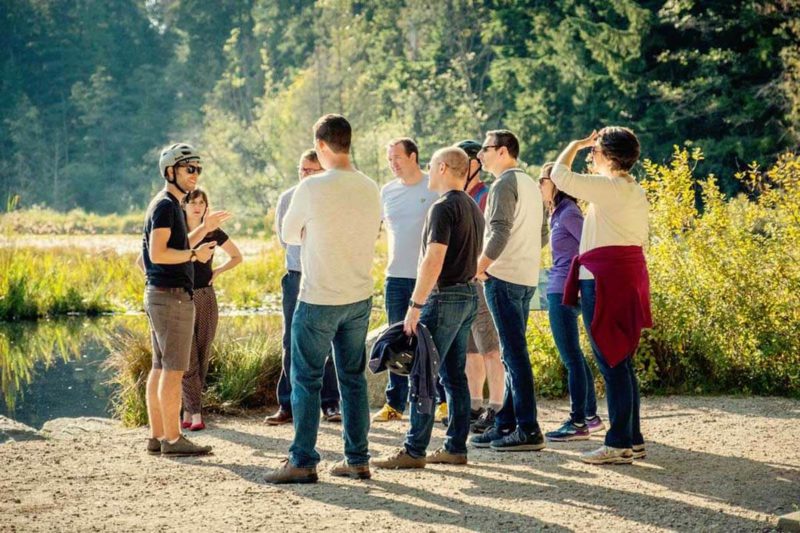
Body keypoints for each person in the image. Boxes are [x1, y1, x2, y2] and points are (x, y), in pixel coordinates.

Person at [264, 114, 381, 484]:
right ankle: (357, 459)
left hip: (318, 297)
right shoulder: (371, 187)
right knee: (353, 381)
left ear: (322, 146)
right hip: (359, 296)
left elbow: (289, 236)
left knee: (307, 380)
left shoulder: (311, 188)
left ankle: (302, 460)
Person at [373, 146, 483, 469]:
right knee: (453, 376)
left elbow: (434, 258)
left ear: (445, 168)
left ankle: (414, 449)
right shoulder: (472, 207)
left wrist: (415, 305)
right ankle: (455, 447)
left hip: (445, 296)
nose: (430, 173)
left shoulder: (442, 208)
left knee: (422, 372)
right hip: (468, 294)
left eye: (434, 166)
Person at [551, 127, 651, 465]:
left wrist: (575, 144)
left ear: (608, 155)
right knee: (620, 360)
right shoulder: (632, 189)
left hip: (605, 278)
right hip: (625, 276)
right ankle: (631, 439)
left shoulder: (609, 187)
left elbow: (558, 175)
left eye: (595, 151)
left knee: (610, 360)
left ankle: (619, 443)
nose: (591, 155)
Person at [140, 143, 223, 456]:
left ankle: (157, 435)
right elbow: (158, 252)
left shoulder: (169, 205)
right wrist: (194, 255)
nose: (195, 174)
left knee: (160, 368)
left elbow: (175, 243)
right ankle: (173, 440)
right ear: (170, 171)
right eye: (190, 168)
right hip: (171, 297)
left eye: (198, 169)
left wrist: (203, 229)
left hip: (163, 296)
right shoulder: (165, 206)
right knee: (174, 370)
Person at [471, 130, 547, 452]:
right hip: (526, 278)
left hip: (502, 279)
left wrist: (479, 266)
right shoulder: (530, 184)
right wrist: (521, 254)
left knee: (514, 356)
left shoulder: (503, 184)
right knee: (512, 352)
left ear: (503, 151)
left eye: (485, 150)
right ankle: (505, 424)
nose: (480, 156)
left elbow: (499, 232)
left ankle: (528, 429)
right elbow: (542, 233)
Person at [265, 149, 342, 426]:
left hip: (326, 274)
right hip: (296, 274)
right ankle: (287, 404)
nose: (305, 175)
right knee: (290, 340)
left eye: (312, 170)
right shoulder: (288, 198)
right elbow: (285, 239)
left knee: (329, 339)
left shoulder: (332, 197)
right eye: (302, 170)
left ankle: (330, 403)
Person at [372, 138, 441, 424]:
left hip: (428, 278)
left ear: (413, 156)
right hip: (395, 277)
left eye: (397, 157)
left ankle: (440, 401)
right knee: (396, 340)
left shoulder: (433, 188)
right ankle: (395, 404)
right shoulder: (386, 191)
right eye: (389, 159)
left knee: (432, 341)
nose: (393, 163)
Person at [537, 163, 604, 442]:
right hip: (563, 287)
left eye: (542, 180)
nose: (539, 186)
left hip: (566, 290)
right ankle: (590, 416)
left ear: (555, 183)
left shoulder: (569, 213)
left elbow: (591, 246)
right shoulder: (557, 214)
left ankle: (578, 421)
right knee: (574, 356)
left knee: (571, 357)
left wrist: (581, 281)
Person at [180, 187, 241, 431]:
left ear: (206, 206)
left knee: (202, 356)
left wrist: (218, 271)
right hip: (181, 297)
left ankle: (188, 410)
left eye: (201, 202)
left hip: (206, 295)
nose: (197, 206)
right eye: (192, 202)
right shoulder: (178, 231)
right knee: (187, 359)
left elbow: (237, 257)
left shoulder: (213, 231)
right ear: (184, 204)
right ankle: (196, 414)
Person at [455, 140, 504, 433]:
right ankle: (473, 404)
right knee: (470, 349)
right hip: (462, 281)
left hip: (480, 280)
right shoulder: (460, 196)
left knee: (490, 348)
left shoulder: (485, 196)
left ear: (475, 164)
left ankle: (495, 407)